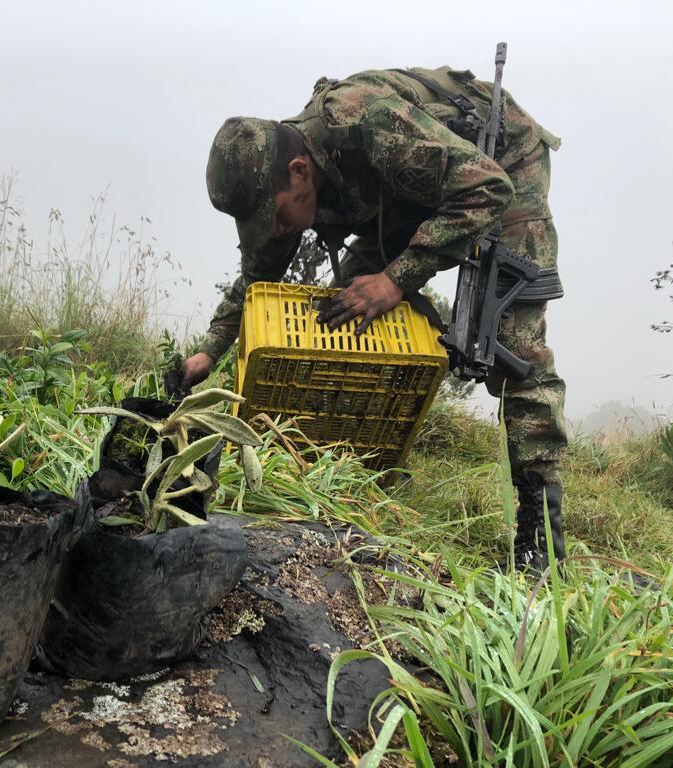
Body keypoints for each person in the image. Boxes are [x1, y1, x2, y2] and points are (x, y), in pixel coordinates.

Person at [179, 66, 567, 572]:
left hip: (501, 166)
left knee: (513, 347)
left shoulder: (369, 123)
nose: (275, 229)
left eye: (275, 215)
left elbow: (488, 189)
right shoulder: (285, 176)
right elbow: (259, 272)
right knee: (341, 317)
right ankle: (363, 468)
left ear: (299, 172)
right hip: (411, 196)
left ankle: (541, 539)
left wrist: (395, 280)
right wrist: (209, 350)